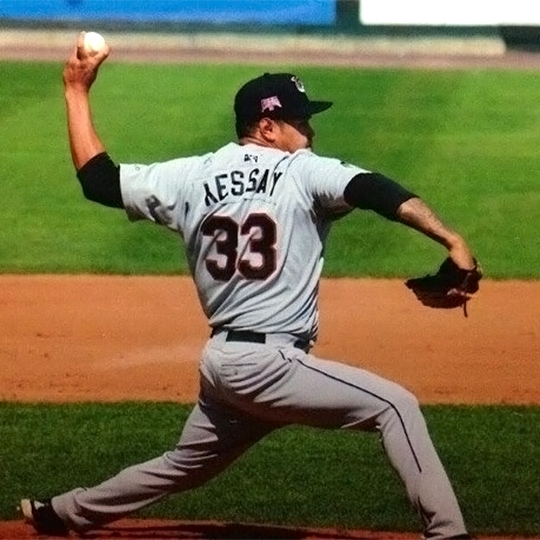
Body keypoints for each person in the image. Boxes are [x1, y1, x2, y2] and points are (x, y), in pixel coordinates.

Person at [20, 32, 477, 540]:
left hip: (224, 365)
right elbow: (372, 188)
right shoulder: (301, 171)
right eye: (300, 121)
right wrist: (451, 239)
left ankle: (60, 512)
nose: (309, 131)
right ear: (267, 126)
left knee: (184, 465)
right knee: (395, 406)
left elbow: (99, 181)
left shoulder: (191, 176)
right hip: (268, 365)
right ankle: (448, 533)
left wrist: (75, 91)